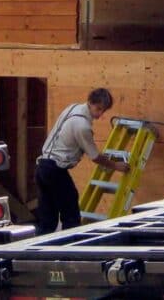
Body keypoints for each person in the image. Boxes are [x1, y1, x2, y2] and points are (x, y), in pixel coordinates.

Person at [34, 87, 130, 235]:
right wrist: (116, 165)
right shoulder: (82, 126)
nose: (99, 115)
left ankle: (37, 251)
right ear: (90, 102)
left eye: (103, 111)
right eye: (98, 109)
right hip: (55, 169)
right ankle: (70, 248)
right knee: (71, 213)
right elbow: (95, 157)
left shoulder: (72, 108)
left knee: (47, 218)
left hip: (42, 167)